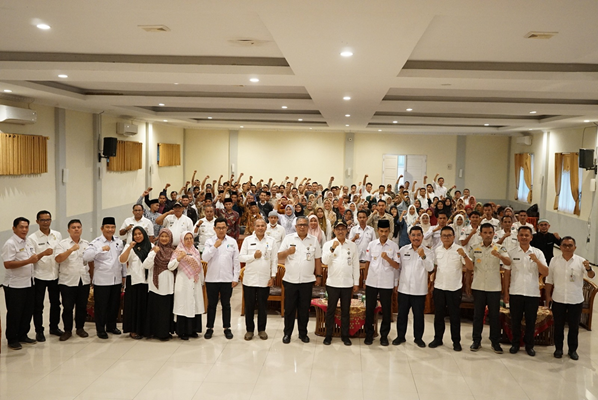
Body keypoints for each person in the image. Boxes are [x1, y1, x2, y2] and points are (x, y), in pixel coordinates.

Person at [545, 236, 595, 360]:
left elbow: (592, 275)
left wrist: (588, 268)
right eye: (565, 245)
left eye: (570, 245)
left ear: (575, 247)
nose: (567, 248)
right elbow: (549, 280)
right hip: (558, 298)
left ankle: (572, 350)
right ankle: (558, 349)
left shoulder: (581, 261)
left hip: (575, 299)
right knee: (558, 326)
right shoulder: (554, 260)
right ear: (560, 247)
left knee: (573, 327)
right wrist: (548, 296)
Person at [504, 226, 549, 356]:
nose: (524, 237)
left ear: (531, 237)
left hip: (532, 292)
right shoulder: (511, 252)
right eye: (521, 235)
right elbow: (507, 273)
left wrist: (537, 261)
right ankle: (515, 344)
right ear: (517, 237)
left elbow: (545, 272)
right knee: (515, 320)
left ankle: (530, 345)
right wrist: (506, 292)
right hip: (515, 292)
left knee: (531, 321)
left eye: (526, 235)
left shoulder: (538, 253)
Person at [278, 216, 323, 344]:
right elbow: (279, 256)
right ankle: (287, 333)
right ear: (296, 227)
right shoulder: (288, 238)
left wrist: (318, 276)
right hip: (290, 280)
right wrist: (288, 251)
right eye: (300, 225)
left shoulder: (313, 240)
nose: (302, 227)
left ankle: (303, 334)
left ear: (308, 227)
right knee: (290, 309)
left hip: (307, 281)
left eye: (304, 225)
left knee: (304, 309)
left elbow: (317, 260)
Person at [468, 223, 511, 353]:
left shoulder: (500, 248)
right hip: (478, 286)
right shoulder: (474, 248)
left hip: (494, 287)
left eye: (490, 233)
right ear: (480, 234)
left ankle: (495, 342)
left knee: (494, 316)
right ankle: (476, 341)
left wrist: (500, 256)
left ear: (493, 234)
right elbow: (470, 268)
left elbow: (509, 263)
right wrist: (468, 285)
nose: (487, 235)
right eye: (485, 232)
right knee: (477, 315)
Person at [429, 226, 472, 351]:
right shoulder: (437, 250)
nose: (446, 238)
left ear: (453, 237)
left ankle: (456, 341)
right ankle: (438, 339)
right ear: (441, 237)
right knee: (438, 316)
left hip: (454, 288)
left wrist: (464, 256)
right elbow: (435, 268)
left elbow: (470, 267)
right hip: (439, 287)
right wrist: (432, 285)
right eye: (444, 236)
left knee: (454, 317)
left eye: (449, 235)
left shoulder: (460, 249)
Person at [2, 217, 43, 350]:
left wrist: (43, 254)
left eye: (26, 227)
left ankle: (23, 335)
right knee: (15, 312)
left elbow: (33, 258)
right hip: (15, 285)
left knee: (27, 311)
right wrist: (28, 261)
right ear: (14, 228)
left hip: (29, 282)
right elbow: (8, 264)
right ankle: (12, 339)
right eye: (21, 227)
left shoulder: (28, 242)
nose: (24, 230)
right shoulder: (10, 243)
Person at [83, 217, 127, 339]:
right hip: (102, 280)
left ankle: (111, 326)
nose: (110, 229)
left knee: (114, 304)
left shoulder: (118, 241)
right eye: (107, 227)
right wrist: (100, 249)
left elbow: (122, 260)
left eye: (112, 227)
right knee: (101, 306)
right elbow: (86, 257)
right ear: (102, 228)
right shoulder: (96, 243)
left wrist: (124, 276)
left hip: (116, 279)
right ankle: (101, 329)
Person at [394, 226, 435, 348]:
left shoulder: (428, 252)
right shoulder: (403, 250)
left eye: (418, 235)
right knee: (402, 315)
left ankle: (418, 338)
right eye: (413, 235)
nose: (416, 238)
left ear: (422, 237)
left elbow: (430, 269)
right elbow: (398, 268)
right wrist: (396, 283)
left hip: (419, 290)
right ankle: (400, 336)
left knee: (418, 316)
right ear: (409, 237)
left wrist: (423, 256)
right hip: (404, 289)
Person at [322, 220, 360, 346]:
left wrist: (356, 282)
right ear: (334, 230)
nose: (340, 231)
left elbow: (355, 265)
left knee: (345, 311)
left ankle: (345, 335)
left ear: (346, 230)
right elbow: (325, 261)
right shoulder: (328, 244)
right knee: (330, 311)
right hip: (332, 283)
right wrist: (333, 248)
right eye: (338, 229)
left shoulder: (352, 245)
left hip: (347, 284)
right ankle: (328, 335)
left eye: (343, 228)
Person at [27, 210, 63, 342]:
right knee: (38, 305)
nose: (45, 222)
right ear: (37, 222)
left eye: (48, 220)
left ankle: (54, 327)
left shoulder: (57, 235)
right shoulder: (32, 238)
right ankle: (39, 331)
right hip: (39, 275)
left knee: (56, 303)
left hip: (55, 274)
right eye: (42, 220)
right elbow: (32, 258)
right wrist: (43, 253)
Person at [363, 219, 400, 346]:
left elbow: (396, 266)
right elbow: (367, 263)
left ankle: (384, 336)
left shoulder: (394, 246)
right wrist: (365, 279)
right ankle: (369, 334)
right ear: (378, 231)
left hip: (386, 283)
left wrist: (387, 258)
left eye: (386, 231)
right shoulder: (372, 244)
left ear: (389, 231)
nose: (383, 234)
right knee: (369, 309)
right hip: (372, 281)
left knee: (386, 310)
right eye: (381, 231)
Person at [202, 217, 240, 340]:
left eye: (223, 227)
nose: (221, 230)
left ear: (227, 228)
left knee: (226, 304)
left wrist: (235, 278)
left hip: (227, 279)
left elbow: (236, 261)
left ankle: (227, 328)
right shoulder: (209, 241)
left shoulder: (232, 242)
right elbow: (205, 257)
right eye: (219, 228)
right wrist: (215, 246)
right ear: (214, 229)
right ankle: (209, 328)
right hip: (212, 279)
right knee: (211, 305)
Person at [239, 219, 278, 340]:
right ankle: (249, 330)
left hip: (264, 279)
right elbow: (241, 257)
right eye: (258, 226)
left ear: (266, 227)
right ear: (254, 227)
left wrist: (273, 276)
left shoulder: (271, 241)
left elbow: (274, 260)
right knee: (249, 307)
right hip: (249, 279)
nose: (260, 228)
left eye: (262, 226)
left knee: (262, 306)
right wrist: (253, 256)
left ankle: (262, 330)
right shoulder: (247, 240)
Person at [54, 219, 91, 341]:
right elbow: (58, 259)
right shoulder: (62, 244)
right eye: (73, 227)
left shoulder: (86, 244)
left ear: (81, 229)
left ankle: (80, 328)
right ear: (68, 230)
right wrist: (70, 250)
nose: (76, 229)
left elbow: (91, 262)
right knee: (68, 307)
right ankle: (67, 330)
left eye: (78, 227)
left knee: (81, 307)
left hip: (83, 280)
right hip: (67, 281)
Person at [169, 231, 205, 340]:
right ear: (182, 240)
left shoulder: (196, 251)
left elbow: (200, 268)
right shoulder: (178, 251)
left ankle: (193, 330)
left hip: (195, 281)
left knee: (194, 304)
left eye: (191, 238)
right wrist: (179, 258)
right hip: (183, 281)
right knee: (183, 305)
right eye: (186, 239)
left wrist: (202, 281)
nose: (189, 241)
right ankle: (182, 331)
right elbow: (170, 266)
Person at [142, 229, 176, 341]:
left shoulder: (173, 252)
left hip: (168, 286)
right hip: (155, 286)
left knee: (165, 311)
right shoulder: (154, 250)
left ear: (170, 238)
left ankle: (164, 333)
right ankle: (153, 332)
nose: (164, 238)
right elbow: (146, 265)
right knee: (155, 310)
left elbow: (173, 267)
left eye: (167, 236)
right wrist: (153, 253)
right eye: (162, 236)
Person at [119, 226, 152, 340]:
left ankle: (143, 329)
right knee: (133, 306)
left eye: (140, 234)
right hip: (133, 280)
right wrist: (129, 248)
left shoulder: (150, 246)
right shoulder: (129, 246)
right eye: (135, 234)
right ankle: (133, 330)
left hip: (146, 281)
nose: (138, 236)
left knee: (144, 306)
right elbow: (122, 260)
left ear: (144, 234)